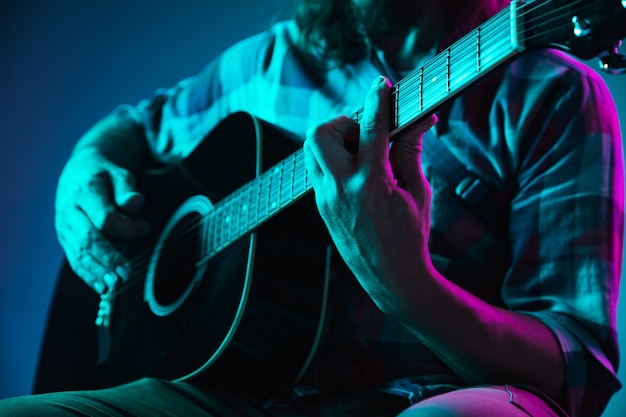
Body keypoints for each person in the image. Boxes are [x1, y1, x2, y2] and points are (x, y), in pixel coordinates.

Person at [1, 0, 623, 416]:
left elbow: (578, 373)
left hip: (411, 401)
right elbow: (134, 126)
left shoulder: (554, 95)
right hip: (208, 395)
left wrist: (408, 288)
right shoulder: (273, 58)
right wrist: (80, 172)